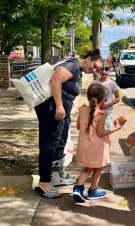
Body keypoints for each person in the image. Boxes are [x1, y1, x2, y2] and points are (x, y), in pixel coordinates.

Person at [33, 49, 103, 199]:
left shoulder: (77, 68)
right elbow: (55, 80)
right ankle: (44, 183)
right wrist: (59, 105)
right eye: (95, 66)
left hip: (58, 112)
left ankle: (53, 176)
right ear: (89, 59)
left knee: (59, 142)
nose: (94, 70)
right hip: (52, 109)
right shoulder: (73, 64)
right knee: (49, 144)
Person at [73, 83, 125, 203]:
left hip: (84, 145)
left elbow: (77, 126)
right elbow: (101, 133)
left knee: (87, 168)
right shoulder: (102, 114)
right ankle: (92, 190)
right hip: (97, 147)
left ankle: (78, 188)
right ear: (103, 98)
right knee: (97, 168)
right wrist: (116, 128)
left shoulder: (82, 109)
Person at [93, 64, 120, 129]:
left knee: (108, 131)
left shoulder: (112, 83)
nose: (104, 71)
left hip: (108, 113)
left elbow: (117, 98)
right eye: (102, 69)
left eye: (106, 69)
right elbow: (91, 97)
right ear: (98, 70)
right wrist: (96, 105)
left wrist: (108, 104)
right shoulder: (94, 83)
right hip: (97, 112)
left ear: (110, 70)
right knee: (98, 133)